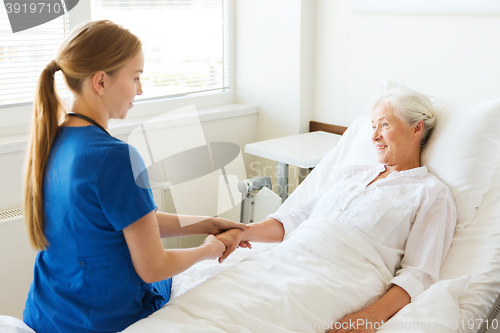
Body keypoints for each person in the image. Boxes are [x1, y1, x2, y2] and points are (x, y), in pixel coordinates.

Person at [22, 20, 246, 333]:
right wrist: (210, 249)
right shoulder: (114, 156)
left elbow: (126, 221)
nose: (140, 89)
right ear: (101, 82)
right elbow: (153, 267)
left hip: (46, 313)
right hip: (102, 320)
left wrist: (209, 224)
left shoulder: (52, 141)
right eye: (136, 77)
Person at [216, 89, 457, 333]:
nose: (374, 136)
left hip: (340, 278)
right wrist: (243, 232)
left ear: (417, 128)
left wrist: (369, 317)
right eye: (373, 126)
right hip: (287, 258)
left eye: (384, 125)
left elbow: (418, 274)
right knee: (220, 297)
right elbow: (295, 218)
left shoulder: (430, 193)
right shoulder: (351, 174)